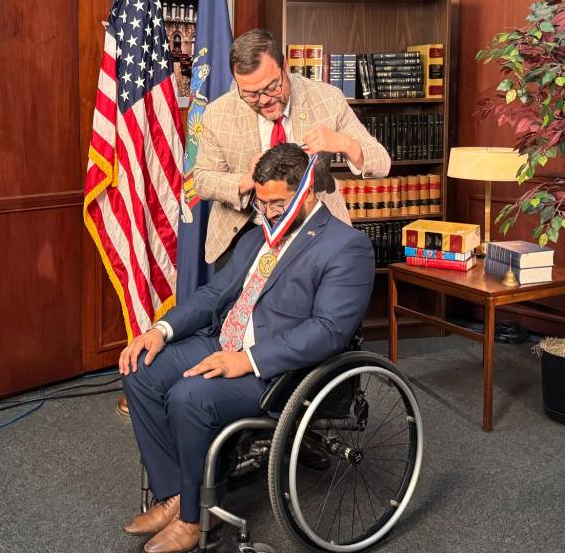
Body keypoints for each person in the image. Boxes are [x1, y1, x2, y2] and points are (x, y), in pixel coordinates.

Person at [120, 144, 375, 553]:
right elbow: (214, 294)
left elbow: (329, 331)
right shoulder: (257, 237)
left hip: (278, 370)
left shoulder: (347, 246)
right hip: (223, 340)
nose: (269, 210)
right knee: (140, 370)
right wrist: (162, 329)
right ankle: (175, 494)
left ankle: (193, 519)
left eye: (278, 202)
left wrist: (248, 360)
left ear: (307, 192)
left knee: (190, 396)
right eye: (263, 201)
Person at [194, 28, 390, 268]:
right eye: (251, 95)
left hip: (315, 233)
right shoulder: (218, 112)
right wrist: (247, 180)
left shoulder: (327, 99)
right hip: (244, 235)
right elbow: (202, 181)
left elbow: (382, 162)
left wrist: (343, 143)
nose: (264, 100)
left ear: (285, 68)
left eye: (272, 87)